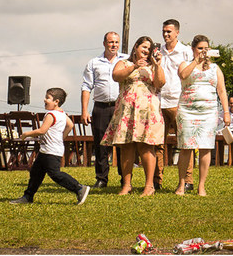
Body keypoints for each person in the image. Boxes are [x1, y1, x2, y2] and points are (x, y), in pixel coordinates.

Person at [102, 35, 166, 196]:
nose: (146, 50)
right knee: (126, 146)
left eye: (149, 48)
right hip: (127, 110)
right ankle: (126, 185)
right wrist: (135, 66)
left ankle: (149, 186)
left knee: (146, 146)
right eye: (144, 47)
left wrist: (157, 65)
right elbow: (116, 76)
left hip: (148, 110)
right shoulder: (124, 63)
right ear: (136, 47)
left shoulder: (153, 66)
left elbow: (160, 83)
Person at [9, 88, 89, 206]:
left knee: (55, 174)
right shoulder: (62, 113)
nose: (44, 100)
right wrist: (61, 137)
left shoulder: (50, 114)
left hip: (51, 151)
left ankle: (79, 188)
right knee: (36, 172)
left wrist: (26, 134)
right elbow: (70, 125)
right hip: (47, 150)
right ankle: (28, 196)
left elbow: (42, 130)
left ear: (56, 101)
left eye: (47, 98)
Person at [175, 35, 229, 196]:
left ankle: (201, 186)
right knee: (186, 147)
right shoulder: (185, 64)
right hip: (187, 111)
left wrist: (226, 112)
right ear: (193, 49)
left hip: (208, 112)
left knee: (206, 147)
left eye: (206, 49)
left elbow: (221, 90)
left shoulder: (215, 68)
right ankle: (181, 184)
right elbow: (183, 75)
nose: (203, 52)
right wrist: (196, 61)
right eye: (200, 48)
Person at [80, 31, 124, 188]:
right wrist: (84, 111)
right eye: (111, 42)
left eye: (116, 42)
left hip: (120, 107)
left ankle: (125, 178)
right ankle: (101, 179)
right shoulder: (94, 63)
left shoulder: (125, 60)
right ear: (104, 43)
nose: (114, 45)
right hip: (101, 107)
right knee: (101, 145)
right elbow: (86, 87)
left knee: (122, 144)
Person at [156, 19, 193, 191]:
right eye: (164, 31)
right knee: (158, 143)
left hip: (179, 101)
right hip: (159, 101)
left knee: (184, 143)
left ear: (177, 32)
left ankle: (188, 180)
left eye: (169, 31)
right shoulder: (158, 51)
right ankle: (157, 180)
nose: (166, 34)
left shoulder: (186, 51)